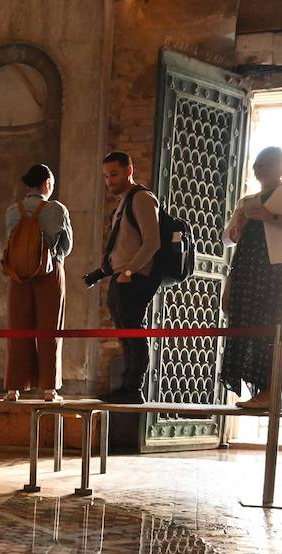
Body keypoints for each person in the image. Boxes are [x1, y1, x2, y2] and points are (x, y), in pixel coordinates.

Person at [220, 147, 282, 409]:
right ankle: (259, 390)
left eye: (267, 165)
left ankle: (271, 389)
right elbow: (227, 239)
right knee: (249, 326)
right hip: (248, 268)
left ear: (280, 168)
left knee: (275, 326)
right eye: (258, 165)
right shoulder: (247, 200)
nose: (261, 170)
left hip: (279, 268)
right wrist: (238, 224)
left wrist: (269, 216)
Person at [2, 163, 72, 402]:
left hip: (18, 274)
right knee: (50, 329)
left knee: (18, 328)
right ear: (47, 184)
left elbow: (10, 241)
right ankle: (50, 389)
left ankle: (14, 388)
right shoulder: (56, 209)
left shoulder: (12, 210)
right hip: (49, 273)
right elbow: (66, 246)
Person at [100, 151, 161, 404]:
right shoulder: (124, 202)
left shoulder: (142, 199)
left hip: (134, 277)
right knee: (125, 334)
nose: (109, 181)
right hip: (121, 276)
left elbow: (152, 241)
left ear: (129, 170)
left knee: (134, 332)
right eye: (105, 176)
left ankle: (134, 387)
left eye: (114, 174)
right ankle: (126, 385)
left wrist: (128, 272)